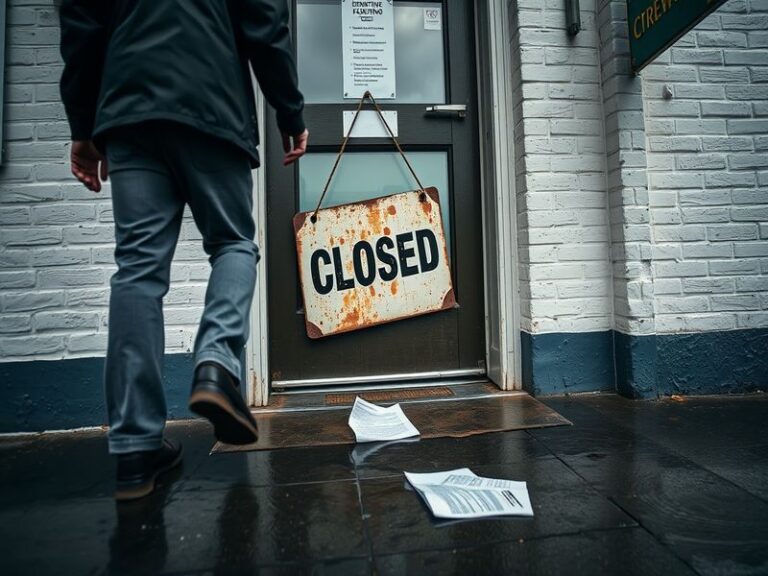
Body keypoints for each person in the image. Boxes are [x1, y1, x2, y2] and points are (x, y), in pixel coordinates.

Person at [59, 0, 308, 501]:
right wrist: (290, 110)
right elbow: (263, 22)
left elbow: (82, 24)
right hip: (212, 103)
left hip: (130, 108)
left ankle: (134, 447)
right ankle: (216, 364)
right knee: (234, 242)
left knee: (137, 271)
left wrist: (83, 129)